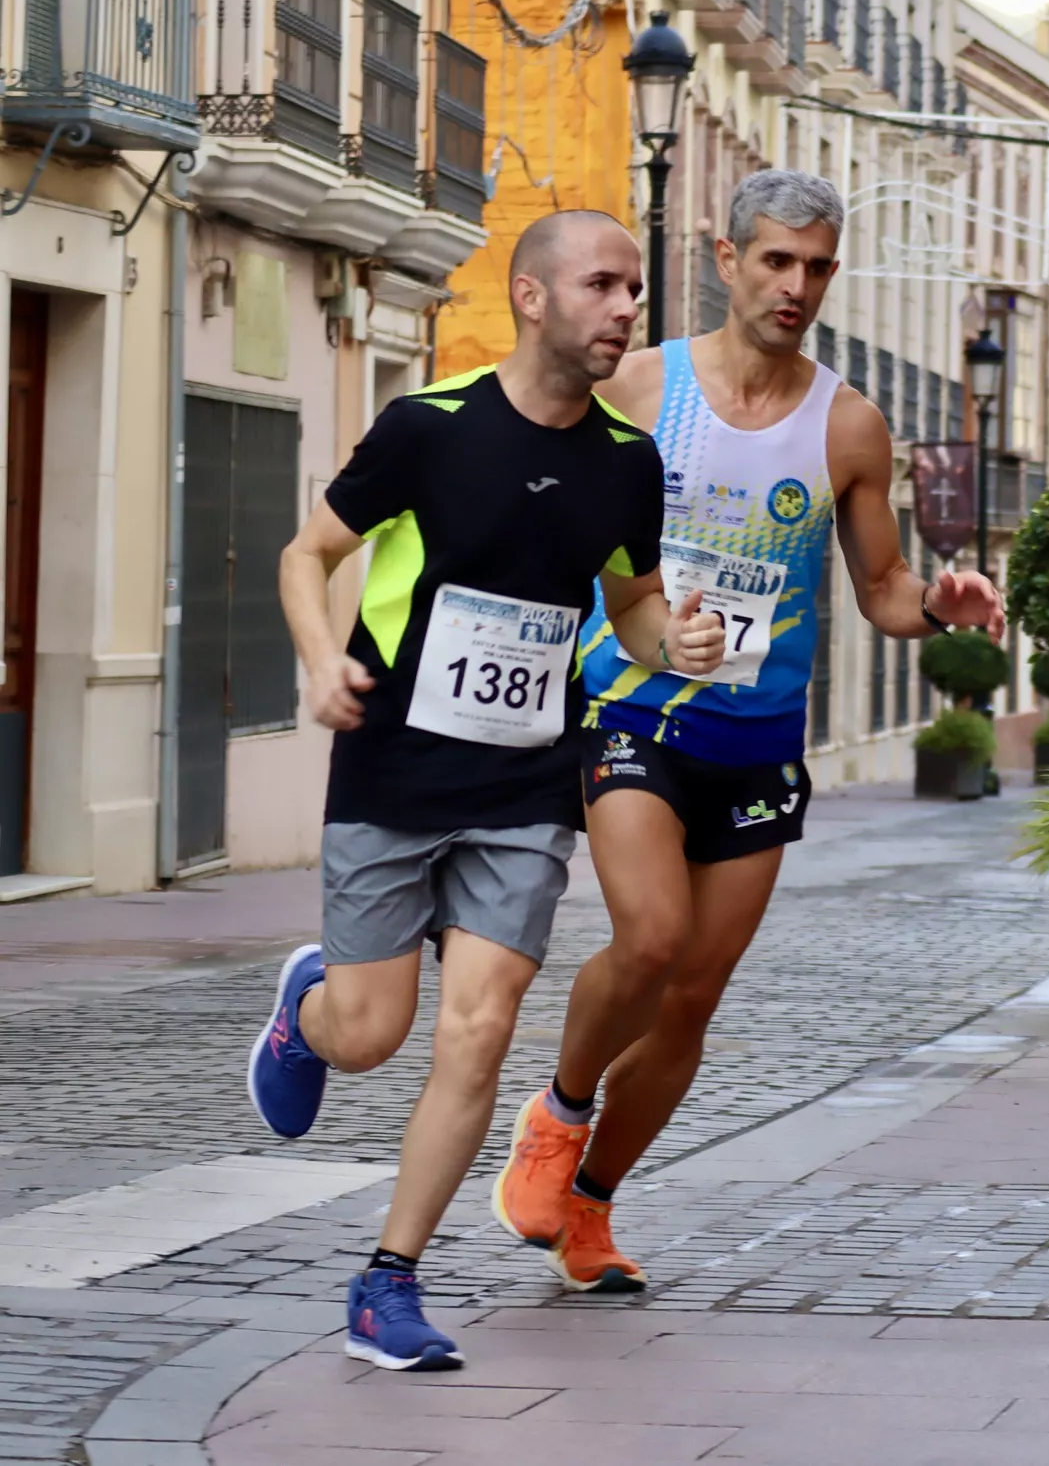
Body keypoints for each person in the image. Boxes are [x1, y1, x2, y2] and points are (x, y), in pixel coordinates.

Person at [488, 170, 1003, 1293]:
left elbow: (882, 588)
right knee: (653, 936)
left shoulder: (848, 423)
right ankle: (559, 1112)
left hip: (757, 739)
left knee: (693, 994)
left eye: (817, 265)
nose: (797, 285)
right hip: (634, 706)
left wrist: (940, 607)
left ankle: (591, 1204)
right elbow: (540, 492)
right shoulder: (637, 386)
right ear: (726, 259)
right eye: (776, 260)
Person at [251, 211, 725, 1370]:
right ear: (530, 296)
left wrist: (682, 641)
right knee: (373, 1035)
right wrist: (322, 661)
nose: (626, 309)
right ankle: (310, 1011)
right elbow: (305, 556)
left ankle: (389, 1282)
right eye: (603, 287)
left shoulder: (627, 465)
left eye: (633, 291)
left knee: (480, 1027)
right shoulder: (429, 426)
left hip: (525, 782)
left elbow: (633, 612)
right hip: (393, 766)